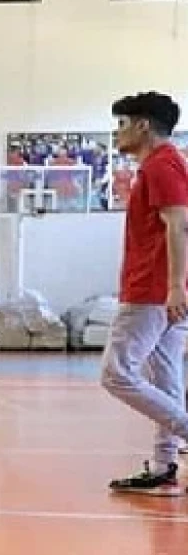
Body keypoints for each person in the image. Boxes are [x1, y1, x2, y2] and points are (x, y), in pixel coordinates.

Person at [102, 91, 188, 494]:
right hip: (162, 289)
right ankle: (164, 463)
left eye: (122, 125)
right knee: (166, 375)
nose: (117, 133)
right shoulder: (164, 164)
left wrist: (174, 285)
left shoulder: (162, 166)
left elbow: (179, 224)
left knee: (117, 374)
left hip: (152, 290)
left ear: (143, 125)